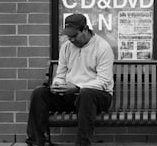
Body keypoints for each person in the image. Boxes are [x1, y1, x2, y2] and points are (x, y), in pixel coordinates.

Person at [26, 13, 114, 146]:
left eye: (74, 35)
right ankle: (36, 142)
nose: (71, 39)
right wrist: (57, 85)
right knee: (40, 93)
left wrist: (78, 87)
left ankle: (82, 143)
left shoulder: (102, 47)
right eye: (69, 36)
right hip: (71, 95)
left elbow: (103, 81)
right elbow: (60, 74)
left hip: (98, 96)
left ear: (85, 29)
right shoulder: (66, 47)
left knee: (86, 94)